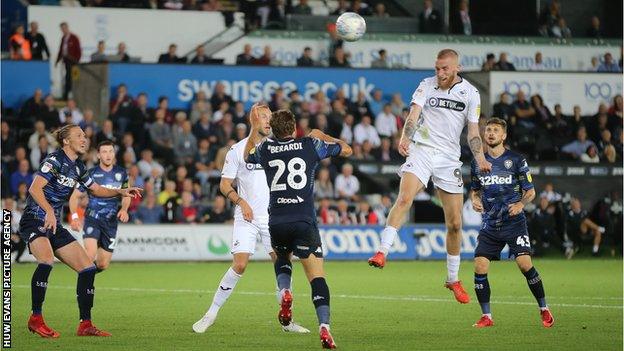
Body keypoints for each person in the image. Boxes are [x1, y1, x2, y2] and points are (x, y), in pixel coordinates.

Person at [368, 49, 491, 305]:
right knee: (404, 198)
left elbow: (472, 132)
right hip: (422, 150)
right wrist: (405, 137)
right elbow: (413, 115)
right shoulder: (426, 85)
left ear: (457, 67)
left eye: (445, 68)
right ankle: (382, 251)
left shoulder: (471, 93)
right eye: (437, 68)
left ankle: (453, 279)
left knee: (455, 224)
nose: (440, 73)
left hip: (448, 159)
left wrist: (480, 158)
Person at [192, 105, 309, 334]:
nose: (268, 121)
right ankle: (211, 313)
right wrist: (241, 201)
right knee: (240, 264)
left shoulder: (278, 147)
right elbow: (224, 184)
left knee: (283, 265)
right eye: (263, 117)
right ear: (253, 120)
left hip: (274, 217)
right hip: (246, 217)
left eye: (270, 117)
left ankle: (287, 322)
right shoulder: (236, 150)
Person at [244, 106, 352, 349]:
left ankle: (284, 291)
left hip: (278, 221)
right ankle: (324, 326)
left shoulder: (266, 148)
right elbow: (347, 150)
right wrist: (323, 135)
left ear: (273, 129)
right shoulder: (310, 145)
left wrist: (254, 127)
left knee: (282, 256)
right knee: (317, 277)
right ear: (294, 128)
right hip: (304, 220)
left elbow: (247, 155)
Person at [19, 124, 141, 338]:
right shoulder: (54, 160)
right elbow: (34, 188)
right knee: (46, 261)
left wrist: (121, 191)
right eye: (79, 136)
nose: (84, 139)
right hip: (34, 219)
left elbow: (96, 189)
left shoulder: (79, 168)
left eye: (85, 136)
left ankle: (85, 325)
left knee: (88, 268)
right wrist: (48, 210)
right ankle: (35, 319)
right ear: (66, 141)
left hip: (54, 223)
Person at [469, 117, 554, 329]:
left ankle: (544, 309)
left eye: (495, 130)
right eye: (488, 130)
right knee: (479, 266)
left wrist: (521, 204)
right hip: (490, 224)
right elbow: (475, 190)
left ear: (503, 136)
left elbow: (531, 192)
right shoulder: (477, 163)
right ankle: (486, 316)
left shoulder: (516, 160)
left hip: (514, 223)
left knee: (525, 265)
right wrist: (475, 200)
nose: (490, 133)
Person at [68, 140, 131, 273]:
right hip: (93, 219)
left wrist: (124, 209)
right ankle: (84, 285)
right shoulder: (90, 174)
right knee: (90, 255)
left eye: (110, 151)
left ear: (114, 154)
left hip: (111, 222)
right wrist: (74, 216)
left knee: (102, 264)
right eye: (104, 152)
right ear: (98, 155)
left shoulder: (122, 173)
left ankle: (87, 274)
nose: (108, 155)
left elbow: (126, 194)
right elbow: (74, 196)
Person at [55, 22, 81, 100]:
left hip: (73, 61)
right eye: (62, 29)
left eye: (64, 28)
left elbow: (78, 50)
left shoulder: (74, 38)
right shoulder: (63, 38)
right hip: (66, 61)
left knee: (72, 79)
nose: (63, 30)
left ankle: (71, 95)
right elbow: (61, 50)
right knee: (67, 78)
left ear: (67, 28)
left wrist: (76, 60)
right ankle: (66, 95)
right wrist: (57, 60)